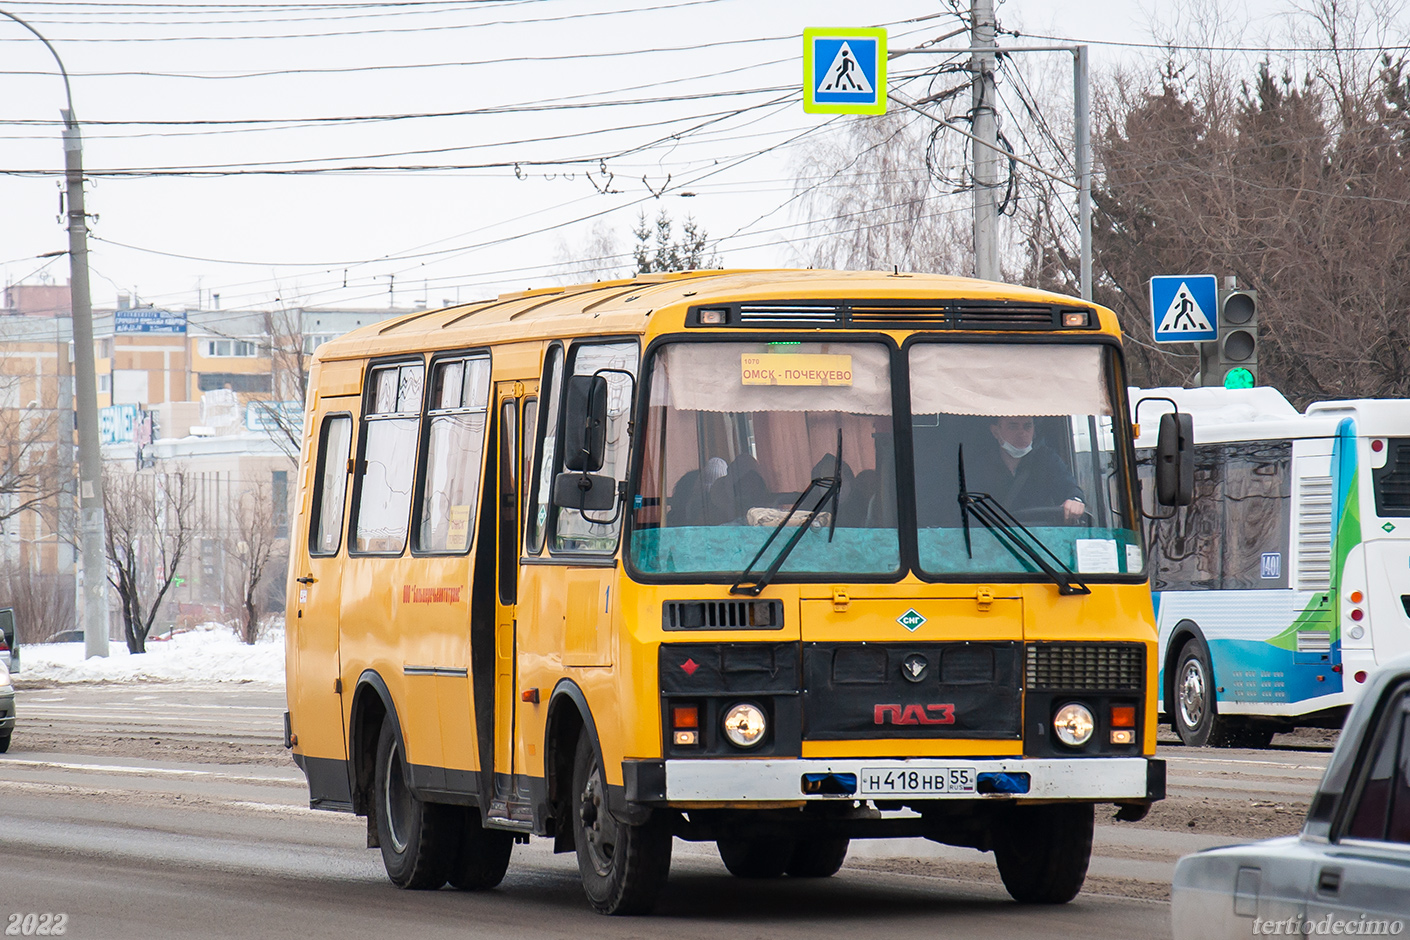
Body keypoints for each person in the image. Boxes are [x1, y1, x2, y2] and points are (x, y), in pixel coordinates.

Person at [970, 416, 1085, 523]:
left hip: (1040, 540)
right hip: (991, 540)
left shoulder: (1046, 459)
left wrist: (1075, 501)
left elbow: (1069, 488)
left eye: (1027, 426)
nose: (1022, 433)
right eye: (1013, 426)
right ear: (995, 432)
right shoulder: (980, 466)